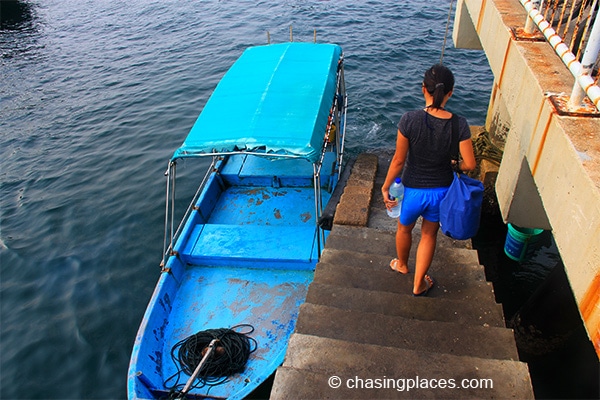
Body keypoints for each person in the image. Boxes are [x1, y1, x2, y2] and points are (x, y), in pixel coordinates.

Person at [382, 64, 476, 296]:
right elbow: (470, 164)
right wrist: (455, 165)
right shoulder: (459, 124)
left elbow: (398, 161)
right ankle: (418, 284)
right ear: (450, 93)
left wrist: (385, 187)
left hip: (412, 191)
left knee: (404, 229)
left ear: (423, 89)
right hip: (441, 192)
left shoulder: (409, 120)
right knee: (428, 235)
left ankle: (402, 265)